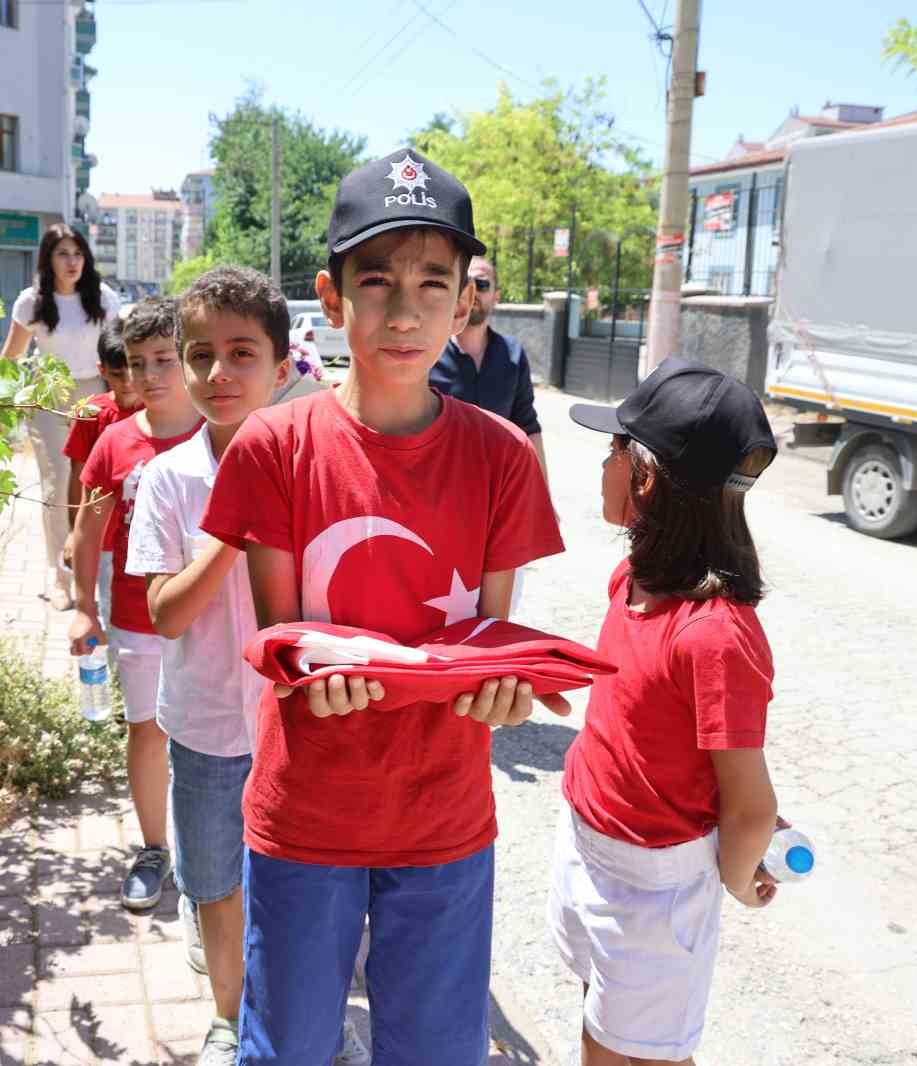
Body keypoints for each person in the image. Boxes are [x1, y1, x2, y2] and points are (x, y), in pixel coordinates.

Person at [201, 148, 567, 1065]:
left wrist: (505, 690)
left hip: (443, 817)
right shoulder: (273, 448)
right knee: (286, 1047)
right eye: (376, 282)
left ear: (465, 300)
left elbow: (487, 638)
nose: (404, 312)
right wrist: (301, 678)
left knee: (438, 1050)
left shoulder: (502, 458)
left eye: (432, 284)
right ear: (331, 297)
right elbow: (280, 640)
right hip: (305, 815)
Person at [551, 357, 782, 1066]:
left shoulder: (715, 633)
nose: (603, 463)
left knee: (630, 1051)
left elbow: (751, 809)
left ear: (644, 477)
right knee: (608, 1022)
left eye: (613, 448)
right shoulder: (635, 575)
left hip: (653, 890)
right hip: (591, 841)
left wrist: (741, 880)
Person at [124, 266, 296, 1066]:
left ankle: (301, 1015)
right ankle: (230, 1015)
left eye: (241, 354)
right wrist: (233, 527)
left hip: (298, 725)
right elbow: (165, 612)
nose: (218, 374)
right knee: (215, 884)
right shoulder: (166, 478)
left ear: (283, 367)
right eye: (200, 356)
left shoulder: (315, 469)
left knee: (299, 887)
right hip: (203, 728)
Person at [68, 297, 201, 912]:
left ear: (189, 360)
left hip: (210, 624)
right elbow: (88, 531)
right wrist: (82, 608)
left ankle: (223, 853)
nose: (150, 375)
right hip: (135, 615)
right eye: (138, 362)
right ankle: (154, 848)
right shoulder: (116, 442)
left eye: (164, 360)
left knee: (216, 738)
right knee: (146, 731)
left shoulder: (221, 431)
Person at [0, 223, 121, 610]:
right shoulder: (31, 303)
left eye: (78, 254)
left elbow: (118, 352)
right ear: (48, 260)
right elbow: (11, 357)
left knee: (95, 484)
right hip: (48, 397)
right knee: (57, 483)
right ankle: (60, 575)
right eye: (63, 254)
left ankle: (93, 564)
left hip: (95, 397)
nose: (72, 262)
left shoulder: (104, 299)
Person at [430, 257, 548, 484]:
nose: (473, 291)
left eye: (482, 284)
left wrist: (543, 496)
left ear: (496, 296)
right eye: (466, 282)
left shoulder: (513, 354)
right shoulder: (429, 353)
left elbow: (528, 427)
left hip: (499, 489)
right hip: (438, 488)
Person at [63, 320, 141, 621]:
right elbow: (76, 475)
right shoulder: (91, 414)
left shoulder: (162, 412)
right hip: (105, 539)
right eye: (118, 375)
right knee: (112, 612)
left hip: (149, 537)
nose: (127, 383)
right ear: (102, 370)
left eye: (133, 372)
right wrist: (74, 533)